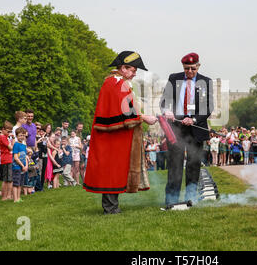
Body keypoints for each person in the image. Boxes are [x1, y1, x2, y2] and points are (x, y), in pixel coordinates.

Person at [83, 51, 157, 214]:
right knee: (112, 170)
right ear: (123, 68)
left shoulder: (116, 82)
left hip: (115, 135)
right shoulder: (116, 83)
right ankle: (110, 207)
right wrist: (144, 117)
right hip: (113, 136)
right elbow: (124, 110)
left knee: (115, 169)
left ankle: (112, 206)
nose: (134, 73)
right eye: (132, 70)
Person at [160, 52, 214, 206]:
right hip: (176, 128)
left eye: (192, 68)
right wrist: (166, 111)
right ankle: (171, 200)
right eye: (186, 69)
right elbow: (164, 100)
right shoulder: (174, 78)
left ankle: (191, 199)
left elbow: (209, 106)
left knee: (193, 165)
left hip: (196, 128)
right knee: (175, 165)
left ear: (198, 66)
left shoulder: (206, 81)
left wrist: (194, 119)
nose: (189, 72)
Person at [12, 127, 28, 203]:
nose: (22, 137)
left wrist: (26, 166)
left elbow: (25, 157)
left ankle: (18, 198)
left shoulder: (24, 145)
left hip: (22, 167)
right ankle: (15, 199)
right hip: (17, 167)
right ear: (17, 136)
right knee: (16, 183)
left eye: (23, 135)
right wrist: (22, 165)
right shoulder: (16, 145)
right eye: (20, 135)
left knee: (20, 184)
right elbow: (15, 157)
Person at [0, 121, 14, 200]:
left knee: (8, 179)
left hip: (7, 158)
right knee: (7, 179)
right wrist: (13, 139)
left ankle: (8, 195)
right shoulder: (3, 137)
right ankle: (5, 196)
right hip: (6, 159)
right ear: (3, 129)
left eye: (10, 131)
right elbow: (11, 147)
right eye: (8, 131)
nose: (9, 133)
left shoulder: (6, 137)